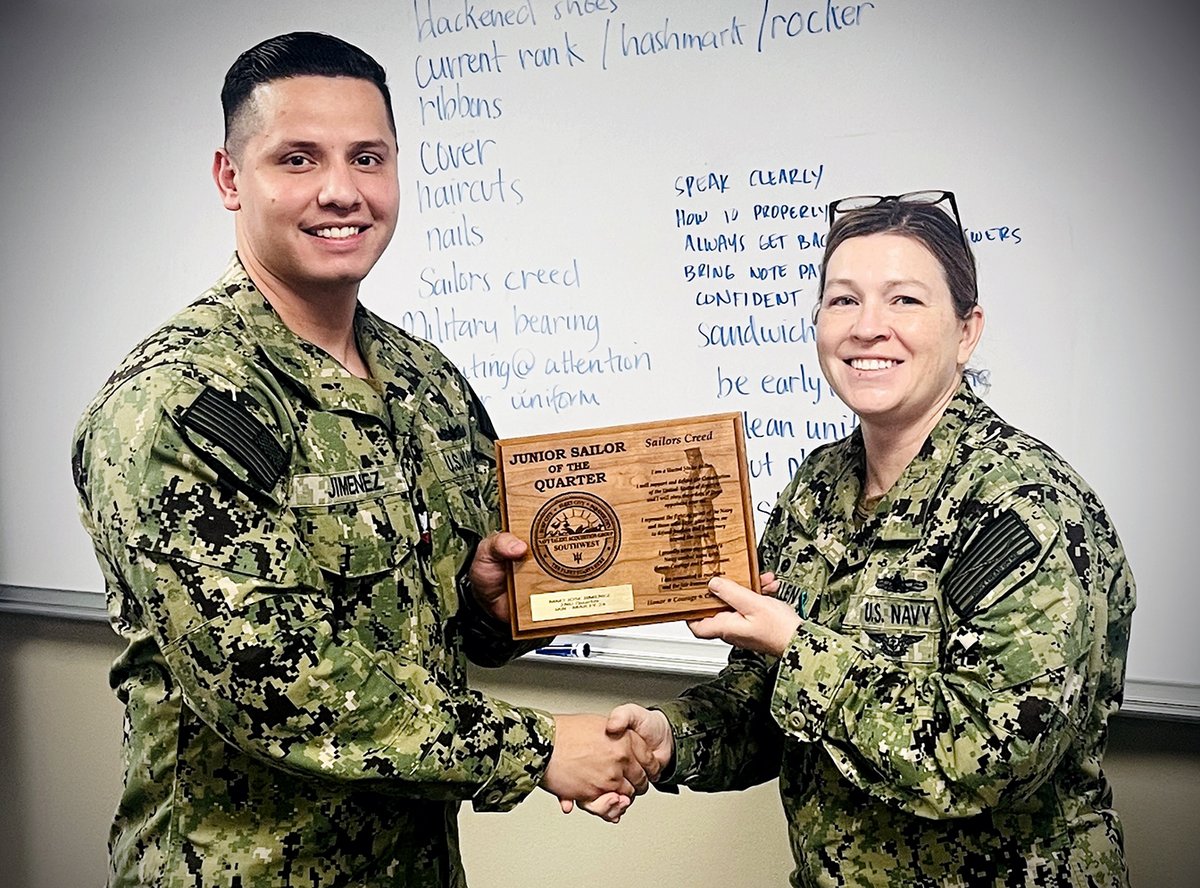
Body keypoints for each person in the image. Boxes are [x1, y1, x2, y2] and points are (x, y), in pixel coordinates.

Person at [71, 31, 650, 888]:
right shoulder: (178, 407)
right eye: (297, 159)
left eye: (367, 158)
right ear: (231, 179)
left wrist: (494, 606)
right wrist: (539, 749)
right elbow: (270, 682)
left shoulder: (426, 381)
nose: (341, 192)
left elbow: (437, 639)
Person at [605, 191, 1136, 886]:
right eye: (843, 300)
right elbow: (770, 703)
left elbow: (987, 757)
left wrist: (798, 647)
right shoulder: (819, 488)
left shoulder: (1025, 507)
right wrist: (668, 739)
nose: (868, 328)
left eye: (905, 301)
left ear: (967, 330)